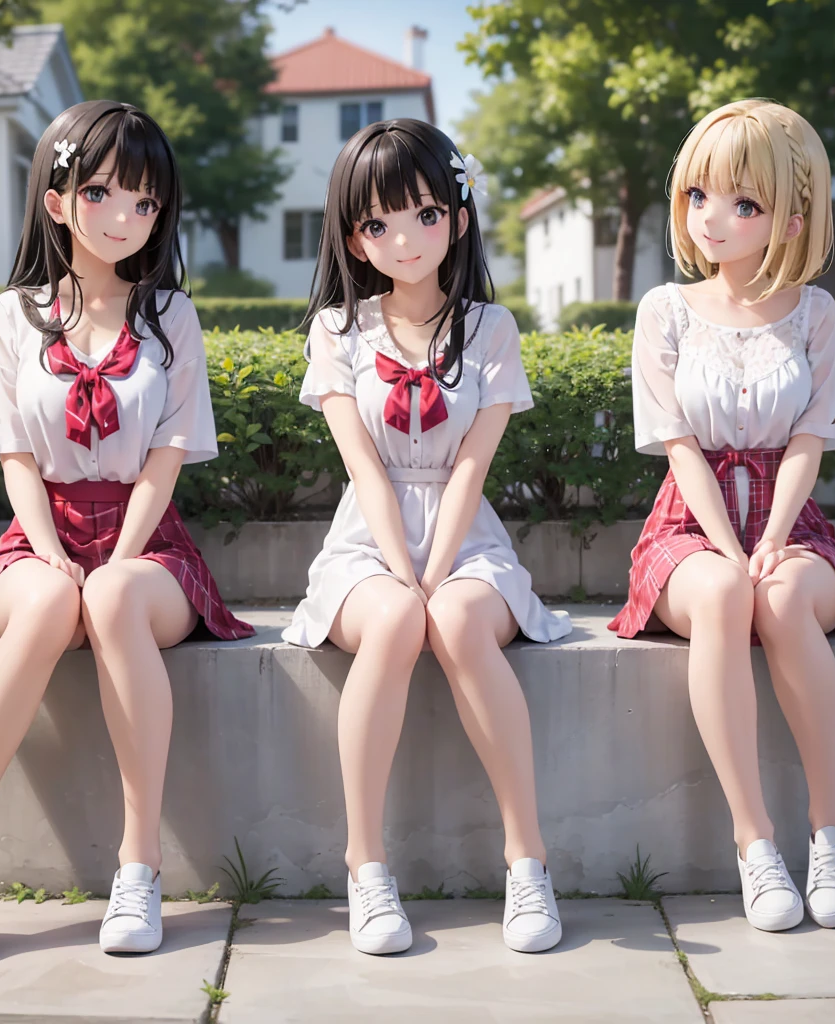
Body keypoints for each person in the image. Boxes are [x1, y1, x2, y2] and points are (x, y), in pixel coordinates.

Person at [0, 100, 252, 966]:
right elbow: (17, 459)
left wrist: (122, 552)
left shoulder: (170, 315)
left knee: (110, 592)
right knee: (43, 607)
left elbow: (166, 460)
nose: (125, 218)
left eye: (145, 203)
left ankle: (136, 867)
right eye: (103, 192)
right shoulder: (13, 316)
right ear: (57, 199)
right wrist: (52, 553)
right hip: (43, 527)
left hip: (152, 540)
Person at [282, 118, 570, 956]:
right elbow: (365, 471)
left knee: (451, 617)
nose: (404, 238)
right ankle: (365, 865)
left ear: (459, 214)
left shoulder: (491, 329)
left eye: (422, 214)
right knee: (402, 617)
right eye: (377, 224)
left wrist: (438, 568)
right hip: (366, 542)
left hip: (467, 537)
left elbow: (474, 468)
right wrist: (404, 572)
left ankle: (527, 861)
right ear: (353, 240)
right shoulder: (338, 332)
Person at [608, 98, 835, 933]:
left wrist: (771, 540)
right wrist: (732, 549)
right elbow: (679, 448)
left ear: (791, 218)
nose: (712, 218)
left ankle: (832, 829)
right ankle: (754, 841)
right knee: (730, 596)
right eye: (699, 195)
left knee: (778, 596)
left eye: (744, 203)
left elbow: (810, 439)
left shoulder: (814, 314)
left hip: (795, 524)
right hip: (688, 528)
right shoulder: (663, 310)